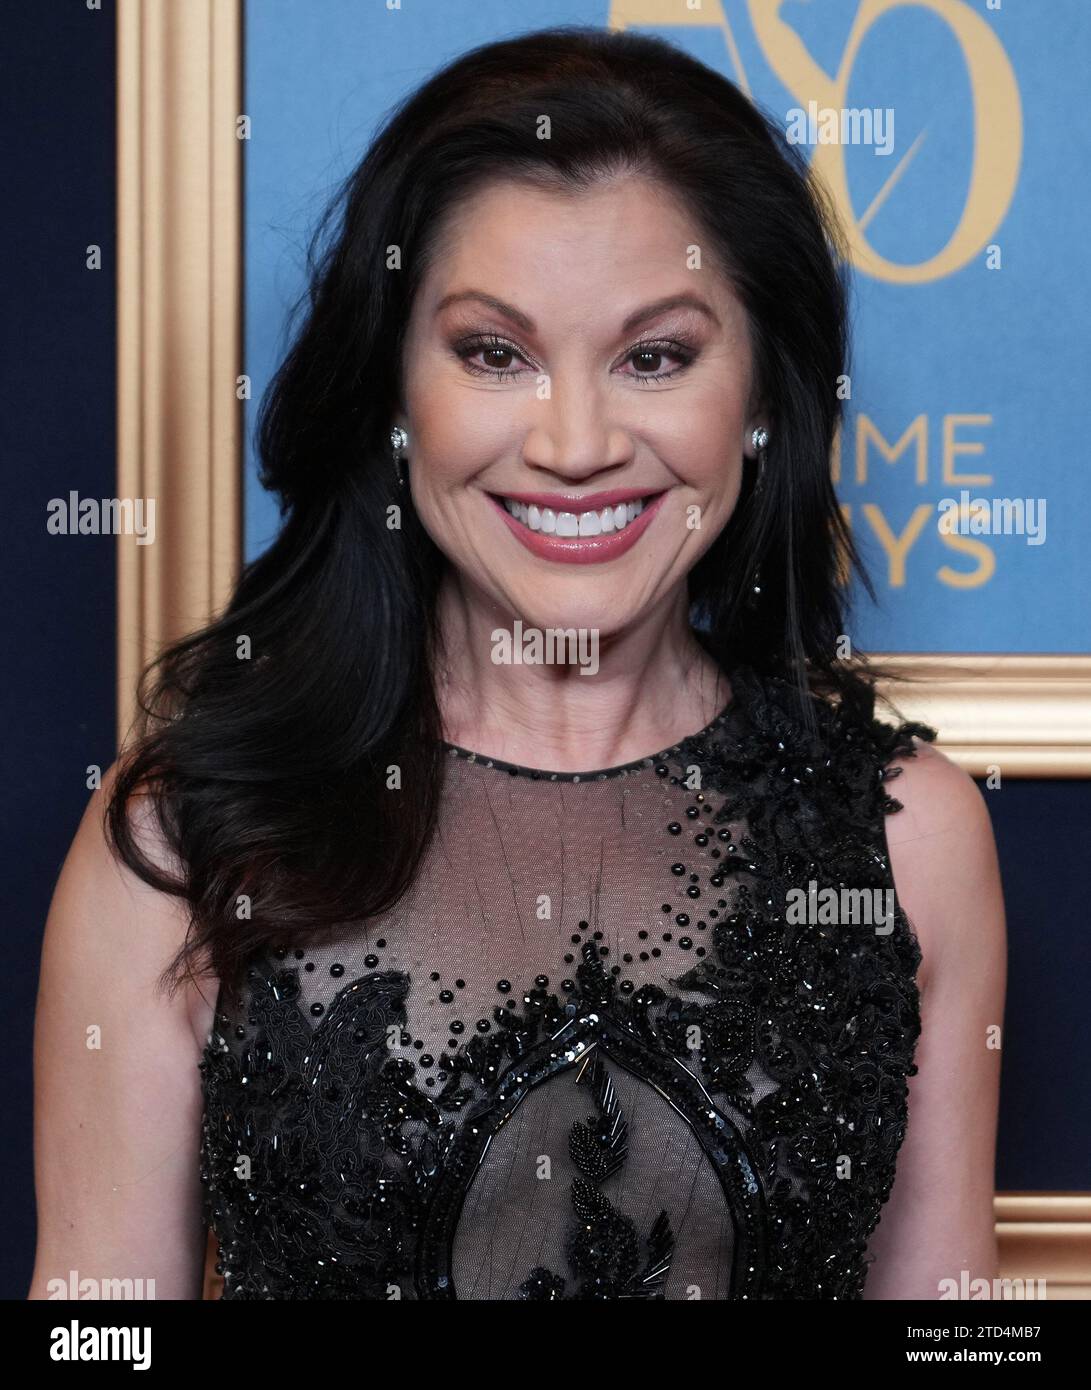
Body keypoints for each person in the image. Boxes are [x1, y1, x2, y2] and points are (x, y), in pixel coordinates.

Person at [29, 25, 1005, 1301]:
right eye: (495, 352)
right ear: (392, 388)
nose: (576, 441)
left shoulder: (908, 838)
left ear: (761, 396)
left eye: (656, 356)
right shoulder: (186, 836)